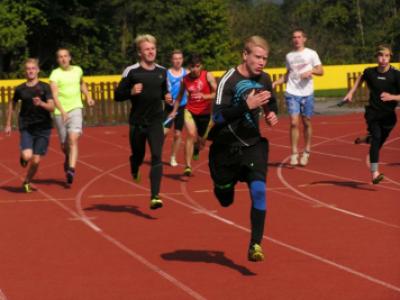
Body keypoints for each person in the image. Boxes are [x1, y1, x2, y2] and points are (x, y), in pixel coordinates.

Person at [208, 36, 278, 262]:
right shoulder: (229, 79)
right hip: (225, 147)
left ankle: (255, 244)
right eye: (257, 57)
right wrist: (245, 106)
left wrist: (270, 114)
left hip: (252, 144)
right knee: (225, 198)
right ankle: (223, 187)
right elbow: (217, 116)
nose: (261, 62)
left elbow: (271, 104)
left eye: (265, 58)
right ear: (245, 55)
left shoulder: (265, 79)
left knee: (259, 190)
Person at [114, 34, 171, 210]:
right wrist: (130, 91)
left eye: (153, 48)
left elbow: (163, 92)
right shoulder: (131, 72)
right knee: (138, 155)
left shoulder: (162, 71)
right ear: (140, 52)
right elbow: (117, 96)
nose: (150, 51)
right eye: (147, 49)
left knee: (156, 156)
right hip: (137, 122)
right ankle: (134, 165)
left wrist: (166, 97)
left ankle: (155, 196)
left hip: (156, 121)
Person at [343, 45, 400, 184]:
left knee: (378, 140)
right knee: (377, 138)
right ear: (376, 57)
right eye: (381, 55)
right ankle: (375, 173)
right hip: (373, 113)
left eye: (386, 56)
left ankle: (365, 139)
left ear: (390, 57)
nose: (383, 59)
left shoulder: (396, 75)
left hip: (389, 116)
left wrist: (392, 97)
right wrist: (351, 93)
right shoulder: (370, 72)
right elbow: (360, 78)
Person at [273, 28, 323, 166]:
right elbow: (288, 74)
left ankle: (306, 151)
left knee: (306, 121)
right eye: (294, 37)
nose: (296, 39)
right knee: (294, 122)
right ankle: (294, 152)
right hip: (292, 92)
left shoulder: (311, 53)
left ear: (304, 39)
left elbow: (321, 70)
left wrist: (311, 71)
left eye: (299, 37)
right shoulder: (289, 56)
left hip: (307, 93)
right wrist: (276, 82)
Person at [4, 58, 55, 192]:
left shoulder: (45, 87)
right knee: (27, 156)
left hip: (43, 127)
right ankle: (23, 156)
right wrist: (8, 123)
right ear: (25, 72)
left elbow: (52, 107)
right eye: (28, 69)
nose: (30, 71)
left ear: (37, 70)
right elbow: (12, 103)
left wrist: (41, 104)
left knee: (36, 160)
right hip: (26, 126)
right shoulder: (20, 89)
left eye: (33, 68)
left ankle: (27, 181)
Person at [49, 48, 95, 185]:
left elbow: (82, 83)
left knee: (73, 138)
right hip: (60, 111)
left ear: (70, 58)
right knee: (64, 145)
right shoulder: (54, 75)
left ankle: (71, 169)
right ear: (58, 60)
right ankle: (68, 157)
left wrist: (88, 96)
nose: (63, 59)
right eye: (60, 57)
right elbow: (55, 95)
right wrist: (62, 112)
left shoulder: (78, 70)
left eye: (65, 56)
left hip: (76, 108)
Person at [169, 53, 217, 176]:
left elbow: (216, 94)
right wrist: (174, 111)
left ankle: (196, 148)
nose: (195, 69)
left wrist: (205, 96)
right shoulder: (185, 79)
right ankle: (188, 166)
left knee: (201, 143)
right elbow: (179, 96)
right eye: (192, 67)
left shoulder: (207, 76)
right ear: (189, 67)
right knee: (190, 134)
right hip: (189, 110)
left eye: (197, 66)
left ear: (201, 66)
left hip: (205, 112)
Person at [164, 50, 188, 167]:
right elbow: (162, 90)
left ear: (182, 60)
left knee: (178, 134)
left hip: (182, 107)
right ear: (171, 60)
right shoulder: (166, 73)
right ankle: (157, 154)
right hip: (169, 107)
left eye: (180, 58)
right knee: (163, 132)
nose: (178, 60)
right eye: (175, 58)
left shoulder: (187, 73)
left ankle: (173, 157)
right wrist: (165, 96)